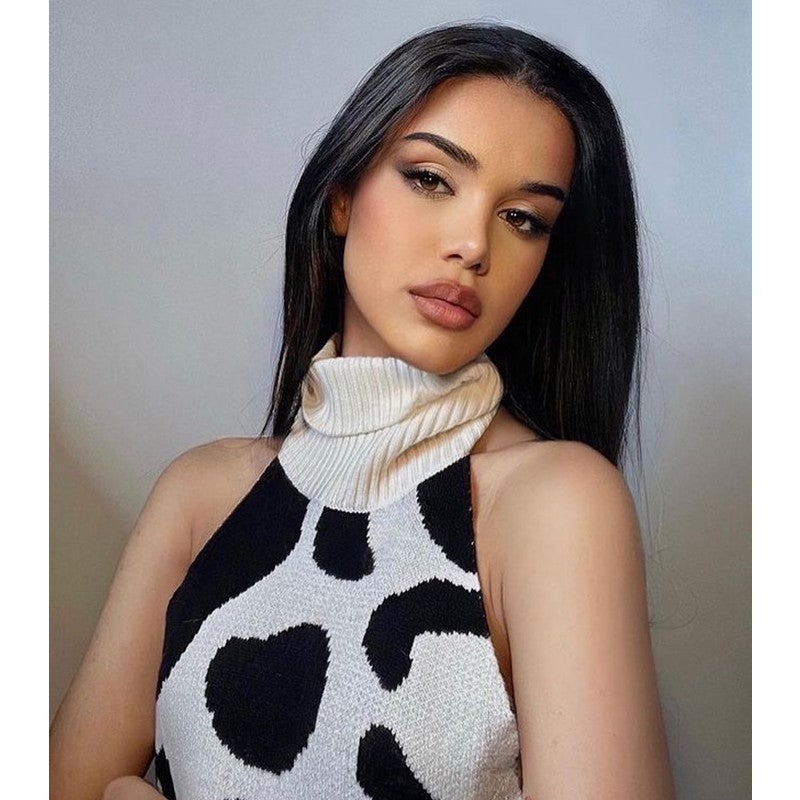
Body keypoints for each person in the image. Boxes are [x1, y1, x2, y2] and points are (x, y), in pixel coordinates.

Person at [50, 20, 676, 800]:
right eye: (431, 179)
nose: (473, 245)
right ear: (342, 197)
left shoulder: (553, 503)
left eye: (523, 218)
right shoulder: (203, 496)